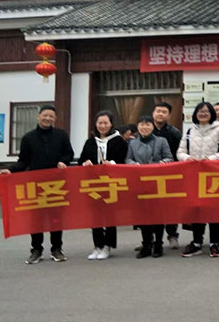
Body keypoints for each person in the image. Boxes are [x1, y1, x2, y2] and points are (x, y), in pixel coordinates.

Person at [0, 105, 73, 264]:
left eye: (51, 116)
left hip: (56, 185)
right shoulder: (28, 138)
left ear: (55, 119)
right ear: (38, 117)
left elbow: (69, 153)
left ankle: (57, 249)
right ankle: (36, 250)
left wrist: (63, 161)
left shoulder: (61, 135)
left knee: (56, 218)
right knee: (36, 219)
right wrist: (10, 171)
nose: (48, 118)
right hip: (35, 185)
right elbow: (23, 162)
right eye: (45, 115)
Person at [178, 102, 219, 258]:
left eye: (206, 111)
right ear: (195, 114)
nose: (203, 114)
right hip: (194, 177)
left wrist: (210, 160)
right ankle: (196, 242)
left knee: (215, 209)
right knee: (197, 208)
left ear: (211, 114)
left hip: (214, 176)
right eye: (200, 111)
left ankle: (214, 242)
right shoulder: (189, 131)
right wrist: (188, 159)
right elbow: (180, 151)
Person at [78, 110, 128, 260]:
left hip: (112, 183)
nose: (102, 126)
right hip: (94, 184)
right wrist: (85, 163)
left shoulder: (119, 141)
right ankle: (97, 246)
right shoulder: (91, 141)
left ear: (111, 123)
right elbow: (81, 159)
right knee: (95, 216)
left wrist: (111, 163)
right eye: (100, 123)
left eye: (105, 123)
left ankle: (108, 246)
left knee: (109, 216)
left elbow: (124, 160)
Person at [126, 115, 174, 258]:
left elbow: (169, 158)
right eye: (141, 124)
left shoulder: (161, 141)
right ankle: (146, 244)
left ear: (153, 126)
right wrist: (134, 165)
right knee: (143, 216)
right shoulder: (132, 143)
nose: (144, 127)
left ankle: (158, 244)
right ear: (137, 127)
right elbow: (128, 159)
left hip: (157, 182)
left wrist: (161, 163)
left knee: (158, 215)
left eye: (148, 124)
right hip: (139, 183)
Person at [151, 101, 182, 249]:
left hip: (170, 175)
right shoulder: (145, 129)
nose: (160, 114)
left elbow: (179, 153)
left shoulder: (174, 132)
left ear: (169, 115)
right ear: (153, 113)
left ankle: (172, 235)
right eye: (158, 111)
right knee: (151, 208)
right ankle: (150, 239)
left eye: (164, 112)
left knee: (170, 207)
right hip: (149, 176)